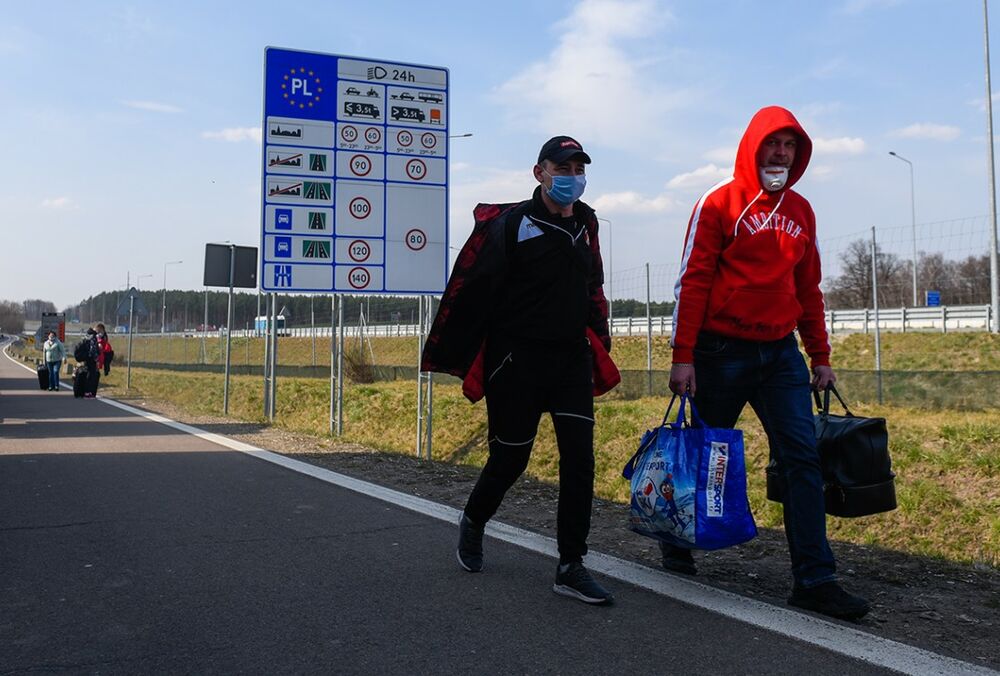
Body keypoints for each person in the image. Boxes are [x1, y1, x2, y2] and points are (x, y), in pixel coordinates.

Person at [665, 106, 870, 620]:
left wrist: (819, 355)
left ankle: (815, 580)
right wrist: (682, 355)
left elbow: (808, 288)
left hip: (781, 354)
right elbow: (693, 281)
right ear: (752, 147)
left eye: (789, 145)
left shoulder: (802, 212)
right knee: (705, 455)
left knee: (803, 459)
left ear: (798, 154)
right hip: (719, 352)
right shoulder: (719, 203)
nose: (780, 153)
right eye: (772, 144)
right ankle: (676, 540)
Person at [421, 136, 618, 606]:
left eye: (577, 167)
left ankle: (571, 565)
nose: (572, 176)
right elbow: (475, 292)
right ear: (540, 173)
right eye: (562, 167)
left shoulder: (587, 224)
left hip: (570, 360)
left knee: (580, 461)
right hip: (516, 362)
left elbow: (593, 287)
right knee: (511, 459)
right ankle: (473, 520)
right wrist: (463, 352)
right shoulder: (513, 225)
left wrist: (600, 340)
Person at [82, 327, 101, 398]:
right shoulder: (93, 338)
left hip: (86, 359)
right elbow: (93, 350)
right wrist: (96, 359)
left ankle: (85, 391)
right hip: (91, 359)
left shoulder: (86, 337)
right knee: (91, 376)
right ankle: (88, 392)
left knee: (87, 374)